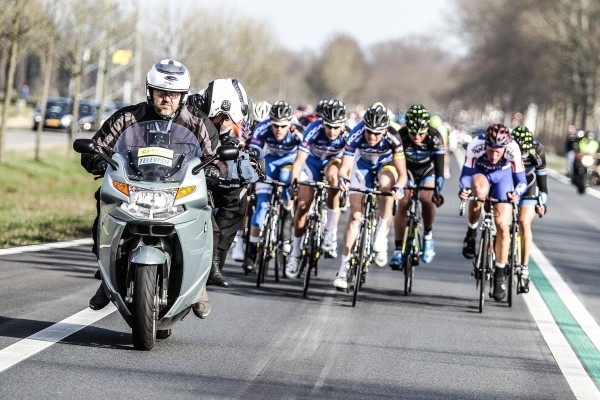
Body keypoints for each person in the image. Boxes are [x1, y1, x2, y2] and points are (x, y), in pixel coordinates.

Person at [82, 59, 219, 318]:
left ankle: (198, 283)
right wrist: (98, 160)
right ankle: (106, 275)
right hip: (133, 189)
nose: (166, 99)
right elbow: (98, 146)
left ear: (183, 96)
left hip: (181, 192)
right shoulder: (126, 118)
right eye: (161, 93)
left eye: (174, 94)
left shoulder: (199, 123)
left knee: (208, 219)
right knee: (103, 206)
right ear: (150, 92)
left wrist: (216, 169)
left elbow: (216, 157)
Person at [190, 78, 259, 285]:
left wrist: (246, 163)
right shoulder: (187, 114)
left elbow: (224, 143)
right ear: (218, 109)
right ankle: (111, 261)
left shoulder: (214, 121)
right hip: (172, 176)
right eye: (227, 119)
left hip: (203, 174)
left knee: (238, 197)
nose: (227, 124)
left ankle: (215, 261)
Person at [333, 102, 407, 291]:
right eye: (369, 132)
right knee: (355, 216)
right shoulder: (356, 134)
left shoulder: (393, 136)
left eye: (377, 133)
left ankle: (381, 232)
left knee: (385, 184)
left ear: (384, 130)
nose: (372, 136)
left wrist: (398, 187)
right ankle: (343, 269)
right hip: (362, 165)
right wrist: (343, 179)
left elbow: (403, 174)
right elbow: (346, 166)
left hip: (385, 165)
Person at [458, 123, 527, 301]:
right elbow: (466, 175)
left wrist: (516, 194)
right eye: (490, 151)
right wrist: (465, 189)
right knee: (478, 194)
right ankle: (472, 231)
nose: (494, 155)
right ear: (485, 144)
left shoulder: (513, 149)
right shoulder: (475, 145)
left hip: (503, 179)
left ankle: (499, 274)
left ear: (505, 147)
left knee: (503, 225)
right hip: (481, 174)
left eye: (498, 151)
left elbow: (521, 181)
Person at [285, 100, 348, 277]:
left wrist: (346, 185)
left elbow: (350, 163)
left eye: (337, 127)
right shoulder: (313, 129)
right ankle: (295, 253)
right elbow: (298, 161)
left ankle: (329, 230)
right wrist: (294, 182)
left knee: (334, 177)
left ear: (343, 124)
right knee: (303, 206)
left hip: (332, 163)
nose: (333, 131)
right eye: (329, 126)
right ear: (323, 122)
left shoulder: (347, 134)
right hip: (311, 164)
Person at [244, 101, 301, 271]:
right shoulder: (262, 127)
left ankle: (286, 226)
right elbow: (254, 151)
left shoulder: (298, 132)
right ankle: (252, 251)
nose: (279, 130)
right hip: (269, 161)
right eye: (275, 125)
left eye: (283, 126)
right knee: (261, 205)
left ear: (290, 123)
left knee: (285, 177)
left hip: (289, 163)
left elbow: (305, 155)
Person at [389, 104, 445, 269]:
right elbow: (394, 163)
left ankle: (428, 235)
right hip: (407, 172)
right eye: (413, 133)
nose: (417, 137)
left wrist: (438, 190)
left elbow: (440, 170)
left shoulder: (435, 137)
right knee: (403, 204)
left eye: (421, 133)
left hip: (428, 171)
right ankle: (398, 249)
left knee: (427, 199)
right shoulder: (401, 135)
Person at [511, 126, 548, 292]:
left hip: (530, 185)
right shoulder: (507, 148)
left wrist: (542, 203)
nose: (522, 153)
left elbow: (543, 185)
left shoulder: (538, 150)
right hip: (510, 183)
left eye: (525, 150)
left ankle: (524, 268)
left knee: (524, 222)